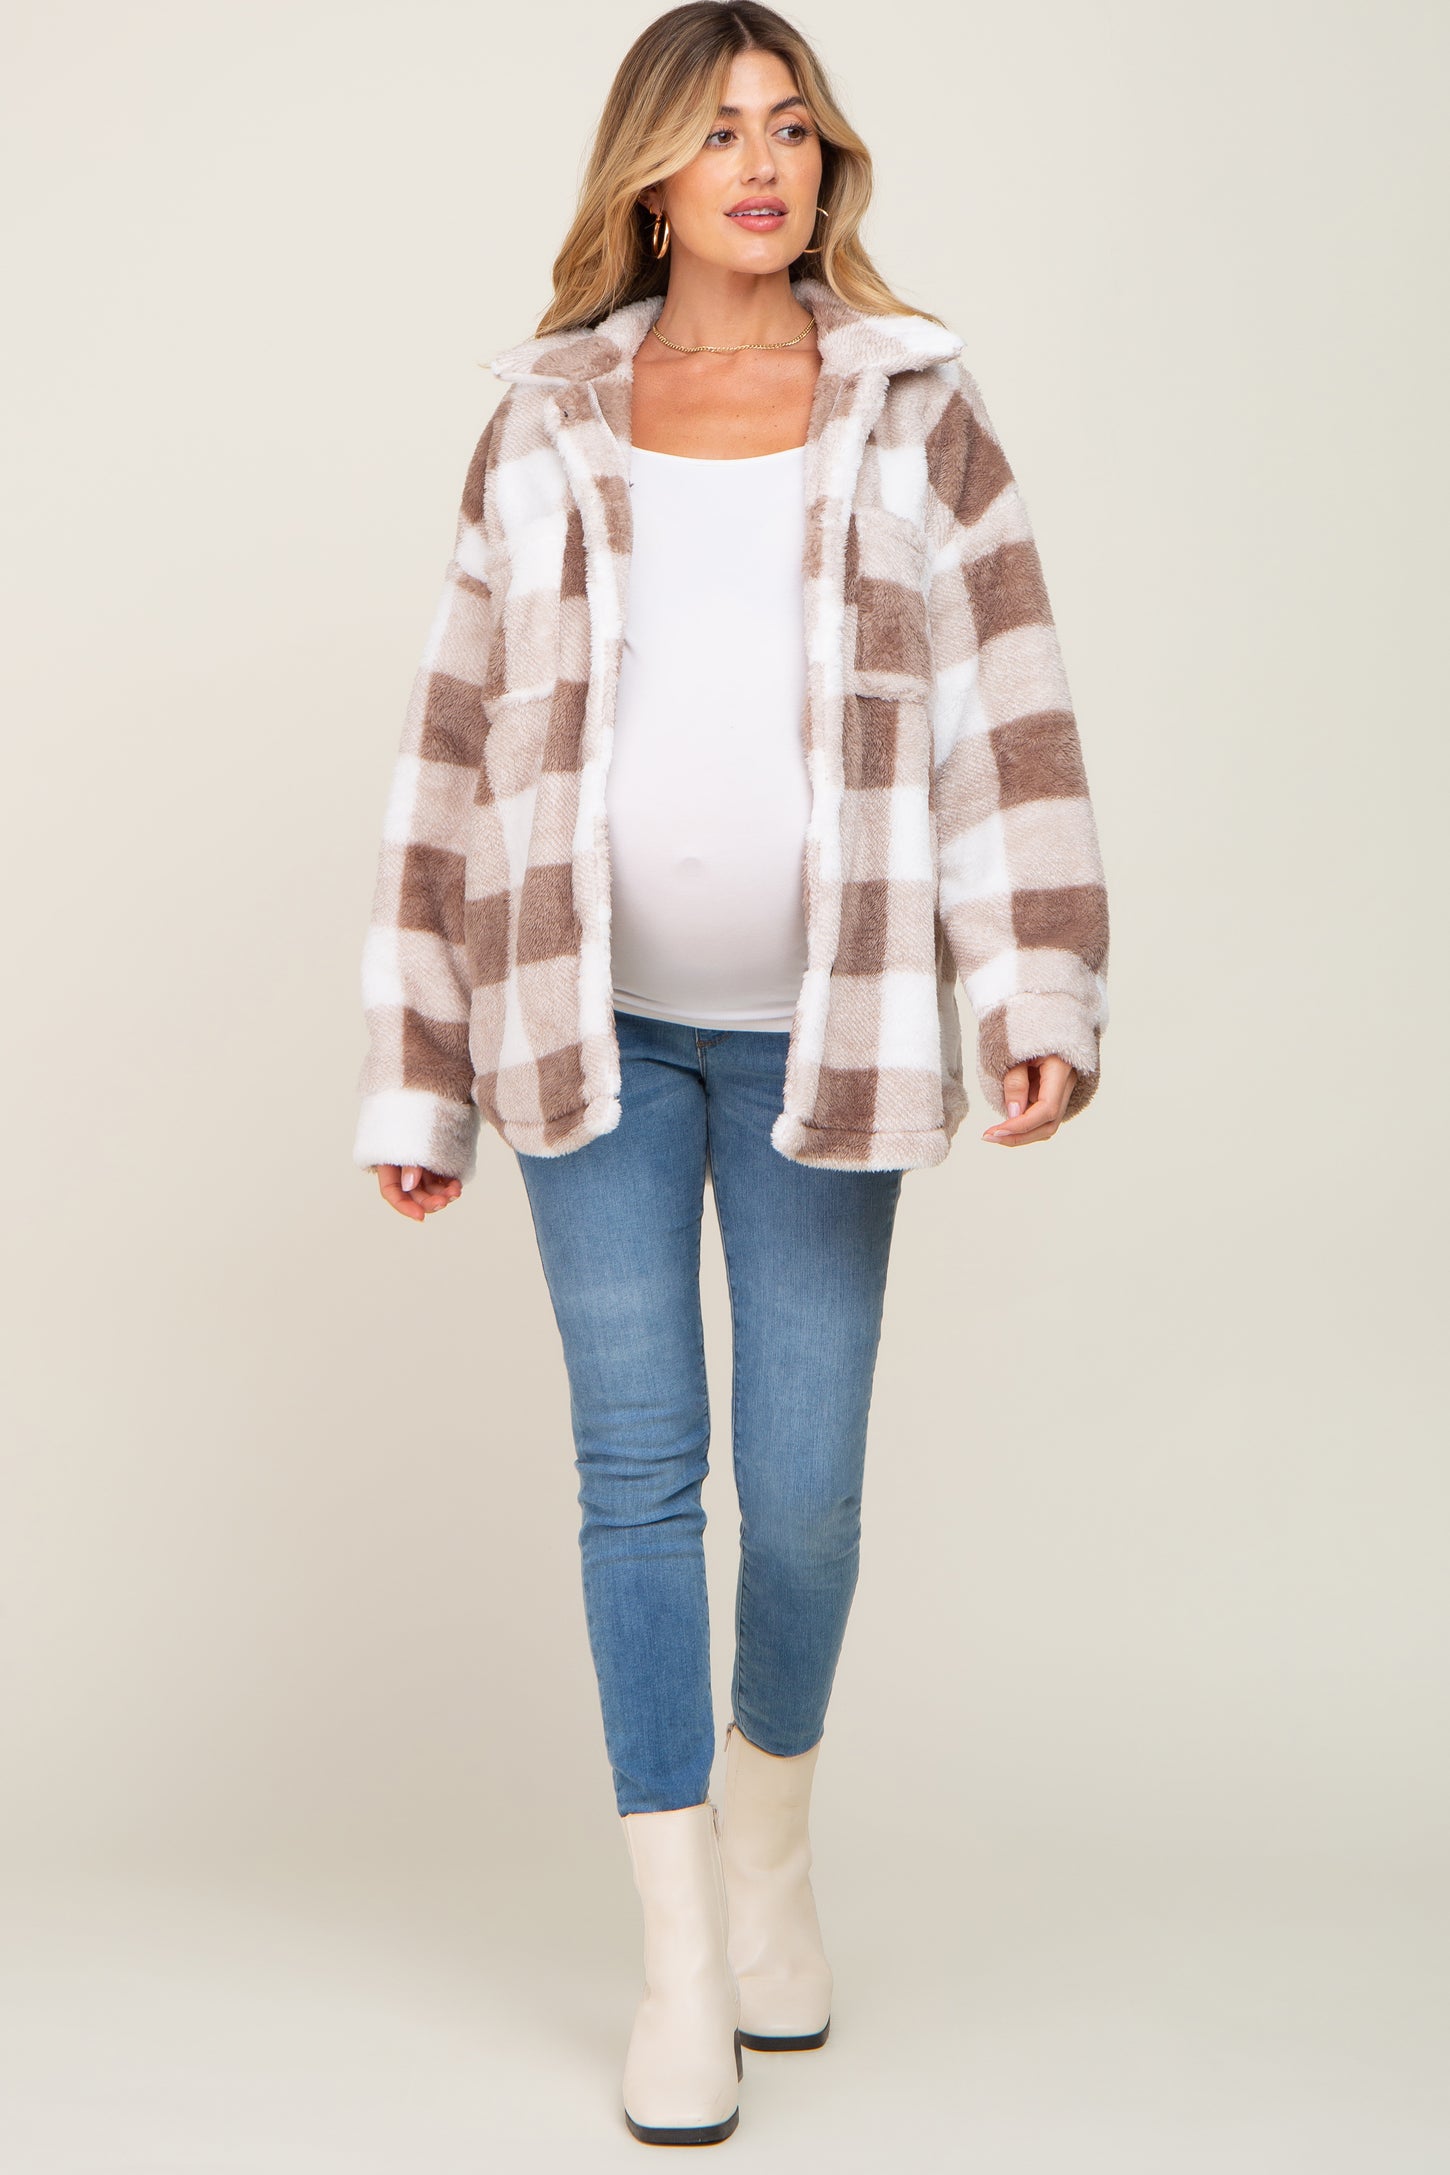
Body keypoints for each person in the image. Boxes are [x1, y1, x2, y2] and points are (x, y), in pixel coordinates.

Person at [351, 0, 1110, 2147]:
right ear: (649, 179)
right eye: (716, 133)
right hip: (577, 1030)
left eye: (789, 127)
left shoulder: (914, 406)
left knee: (806, 1487)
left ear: (821, 162)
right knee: (636, 1475)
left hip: (827, 1029)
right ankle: (680, 1955)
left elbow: (1006, 714)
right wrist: (418, 1069)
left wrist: (1032, 990)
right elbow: (447, 747)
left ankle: (769, 1843)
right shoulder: (541, 421)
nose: (760, 164)